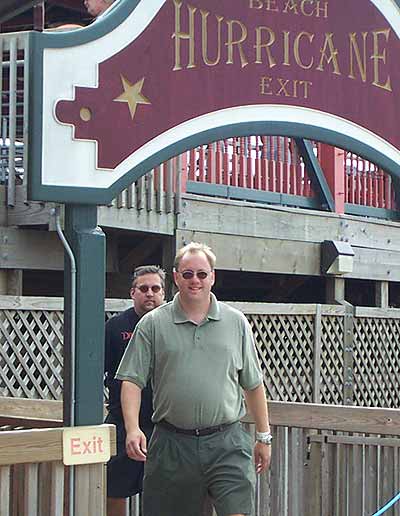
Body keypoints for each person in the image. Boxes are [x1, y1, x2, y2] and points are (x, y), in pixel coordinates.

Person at [116, 242, 272, 516]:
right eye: (187, 274)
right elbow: (131, 381)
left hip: (227, 442)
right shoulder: (152, 324)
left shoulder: (236, 322)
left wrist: (264, 437)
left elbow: (253, 383)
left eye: (202, 274)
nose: (195, 280)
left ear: (213, 276)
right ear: (176, 277)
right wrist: (132, 428)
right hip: (171, 443)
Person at [104, 265, 165, 516]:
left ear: (164, 293)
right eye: (143, 289)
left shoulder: (172, 326)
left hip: (165, 423)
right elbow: (99, 370)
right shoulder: (116, 327)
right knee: (113, 486)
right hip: (123, 422)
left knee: (165, 490)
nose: (149, 293)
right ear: (132, 293)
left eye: (155, 288)